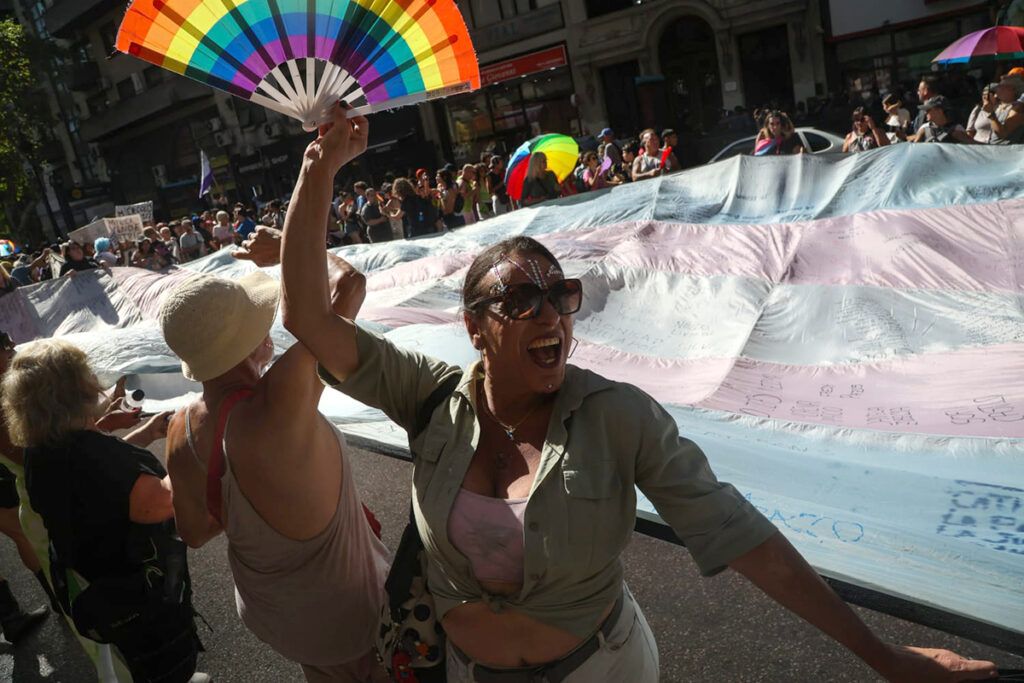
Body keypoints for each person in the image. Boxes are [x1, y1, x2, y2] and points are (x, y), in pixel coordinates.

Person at [280, 103, 1000, 683]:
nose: (549, 315)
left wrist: (885, 657)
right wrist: (319, 170)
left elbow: (742, 535)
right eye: (520, 300)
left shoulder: (618, 417)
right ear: (474, 328)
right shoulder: (428, 395)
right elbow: (306, 316)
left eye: (558, 297)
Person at [159, 258, 389, 683]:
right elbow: (351, 285)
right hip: (351, 611)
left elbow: (192, 532)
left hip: (275, 612)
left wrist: (246, 499)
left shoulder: (180, 428)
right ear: (248, 344)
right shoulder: (282, 400)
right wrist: (284, 247)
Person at [0, 339, 208, 682]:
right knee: (159, 654)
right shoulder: (89, 454)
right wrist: (185, 444)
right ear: (73, 391)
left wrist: (143, 432)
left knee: (132, 655)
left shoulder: (42, 450)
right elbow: (161, 501)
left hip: (96, 578)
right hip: (134, 585)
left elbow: (99, 477)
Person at [910, 96, 975, 144]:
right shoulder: (924, 128)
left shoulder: (956, 129)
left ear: (939, 111)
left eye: (928, 110)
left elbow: (973, 146)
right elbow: (914, 148)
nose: (925, 112)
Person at [984, 74, 1024, 145]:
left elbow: (1002, 134)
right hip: (992, 151)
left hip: (1006, 153)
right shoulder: (997, 105)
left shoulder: (1018, 108)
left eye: (1001, 86)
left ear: (1013, 89)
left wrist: (990, 113)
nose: (997, 89)